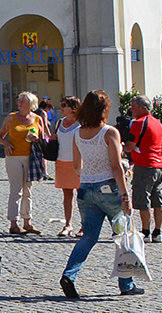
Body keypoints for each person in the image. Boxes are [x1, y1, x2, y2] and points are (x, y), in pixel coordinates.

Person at [59, 90, 139, 298]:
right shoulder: (109, 132)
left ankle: (69, 275)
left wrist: (86, 176)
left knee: (88, 237)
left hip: (86, 188)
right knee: (123, 235)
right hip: (109, 189)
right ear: (105, 110)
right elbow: (115, 166)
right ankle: (126, 283)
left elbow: (77, 165)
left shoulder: (78, 132)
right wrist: (125, 196)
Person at [0, 92, 49, 235]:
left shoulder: (37, 119)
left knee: (28, 190)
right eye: (19, 101)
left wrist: (36, 138)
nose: (19, 103)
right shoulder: (11, 117)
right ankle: (14, 223)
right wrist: (5, 143)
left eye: (22, 101)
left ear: (31, 104)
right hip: (14, 157)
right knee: (16, 190)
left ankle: (28, 222)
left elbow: (43, 139)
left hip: (31, 158)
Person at [126, 95, 162, 243]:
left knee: (144, 201)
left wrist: (120, 147)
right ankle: (158, 231)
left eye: (134, 107)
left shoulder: (138, 123)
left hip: (144, 166)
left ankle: (145, 232)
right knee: (157, 200)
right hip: (159, 166)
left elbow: (130, 145)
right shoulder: (158, 123)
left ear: (142, 108)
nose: (131, 109)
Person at [52, 97, 82, 237]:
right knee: (67, 195)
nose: (62, 107)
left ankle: (84, 225)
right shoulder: (59, 123)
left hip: (78, 163)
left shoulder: (81, 124)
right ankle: (68, 224)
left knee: (82, 196)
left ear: (73, 107)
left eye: (64, 105)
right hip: (62, 161)